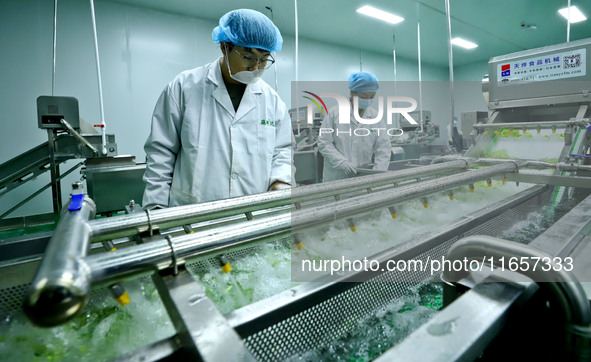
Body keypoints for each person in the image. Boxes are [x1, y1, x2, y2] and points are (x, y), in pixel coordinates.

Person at [142, 9, 293, 210]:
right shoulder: (184, 87)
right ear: (224, 47)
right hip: (193, 213)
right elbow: (161, 153)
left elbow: (282, 151)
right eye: (248, 56)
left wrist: (280, 182)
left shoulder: (273, 101)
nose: (256, 67)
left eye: (264, 59)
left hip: (252, 215)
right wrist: (155, 209)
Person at [317, 72, 391, 182]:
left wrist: (378, 173)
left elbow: (383, 148)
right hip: (336, 177)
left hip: (363, 176)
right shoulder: (334, 113)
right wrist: (341, 162)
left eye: (372, 97)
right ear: (352, 92)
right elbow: (324, 142)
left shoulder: (376, 117)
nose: (368, 100)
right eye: (364, 97)